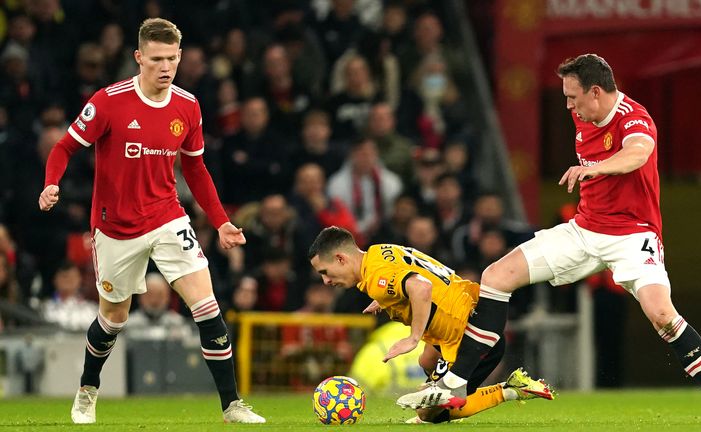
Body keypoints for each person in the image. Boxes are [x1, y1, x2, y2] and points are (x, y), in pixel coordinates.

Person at [399, 54, 701, 424]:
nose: (568, 106)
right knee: (494, 277)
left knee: (663, 316)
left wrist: (596, 168)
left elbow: (638, 153)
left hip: (633, 236)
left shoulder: (635, 117)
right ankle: (456, 383)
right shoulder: (581, 112)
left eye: (573, 97)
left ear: (596, 92)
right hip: (584, 231)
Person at [38, 18, 264, 424]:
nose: (165, 67)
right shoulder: (109, 101)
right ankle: (88, 389)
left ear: (179, 57)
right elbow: (64, 146)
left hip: (166, 216)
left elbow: (195, 170)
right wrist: (51, 184)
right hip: (116, 227)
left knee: (206, 304)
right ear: (139, 57)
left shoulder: (188, 105)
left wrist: (221, 222)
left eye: (172, 59)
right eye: (156, 59)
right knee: (113, 319)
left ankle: (232, 405)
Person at [308, 226, 553, 424]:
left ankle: (512, 389)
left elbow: (420, 287)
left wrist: (412, 338)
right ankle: (443, 395)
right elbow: (413, 273)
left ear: (340, 258)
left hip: (468, 336)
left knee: (429, 414)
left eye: (325, 271)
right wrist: (384, 300)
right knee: (426, 361)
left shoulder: (376, 278)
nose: (326, 280)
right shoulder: (378, 253)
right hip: (467, 312)